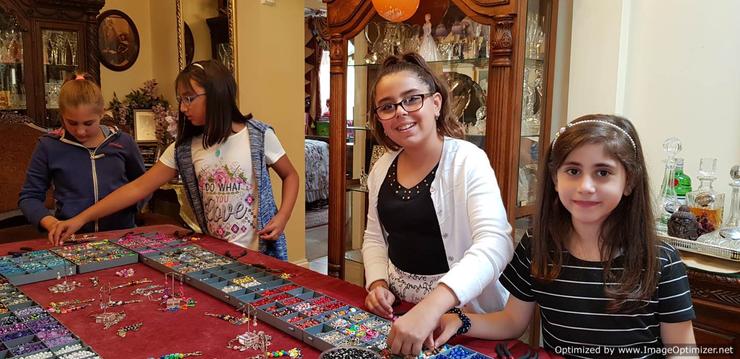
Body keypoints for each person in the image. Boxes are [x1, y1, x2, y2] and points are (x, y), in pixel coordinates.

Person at [435, 115, 697, 357]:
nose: (585, 186)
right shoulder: (537, 245)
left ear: (629, 181)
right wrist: (460, 319)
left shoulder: (663, 261)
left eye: (603, 173)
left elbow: (683, 352)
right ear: (555, 178)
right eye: (573, 171)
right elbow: (512, 321)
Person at [49, 61, 299, 260]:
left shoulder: (258, 135)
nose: (182, 107)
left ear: (217, 94)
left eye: (189, 98)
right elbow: (137, 188)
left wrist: (283, 216)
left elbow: (290, 175)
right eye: (181, 99)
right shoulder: (184, 150)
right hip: (218, 255)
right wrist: (80, 219)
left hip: (262, 255)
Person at [362, 53, 513, 356]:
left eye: (412, 99)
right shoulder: (381, 168)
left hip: (460, 316)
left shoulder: (468, 160)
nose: (400, 112)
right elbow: (374, 237)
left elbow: (496, 242)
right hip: (401, 312)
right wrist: (377, 283)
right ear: (379, 117)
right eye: (387, 106)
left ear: (435, 103)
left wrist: (432, 307)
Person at [18, 73, 146, 234]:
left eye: (88, 123)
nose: (80, 131)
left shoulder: (124, 142)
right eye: (71, 122)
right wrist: (51, 223)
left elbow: (144, 185)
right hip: (72, 237)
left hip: (122, 234)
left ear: (102, 113)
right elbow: (29, 197)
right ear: (62, 115)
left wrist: (131, 210)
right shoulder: (48, 146)